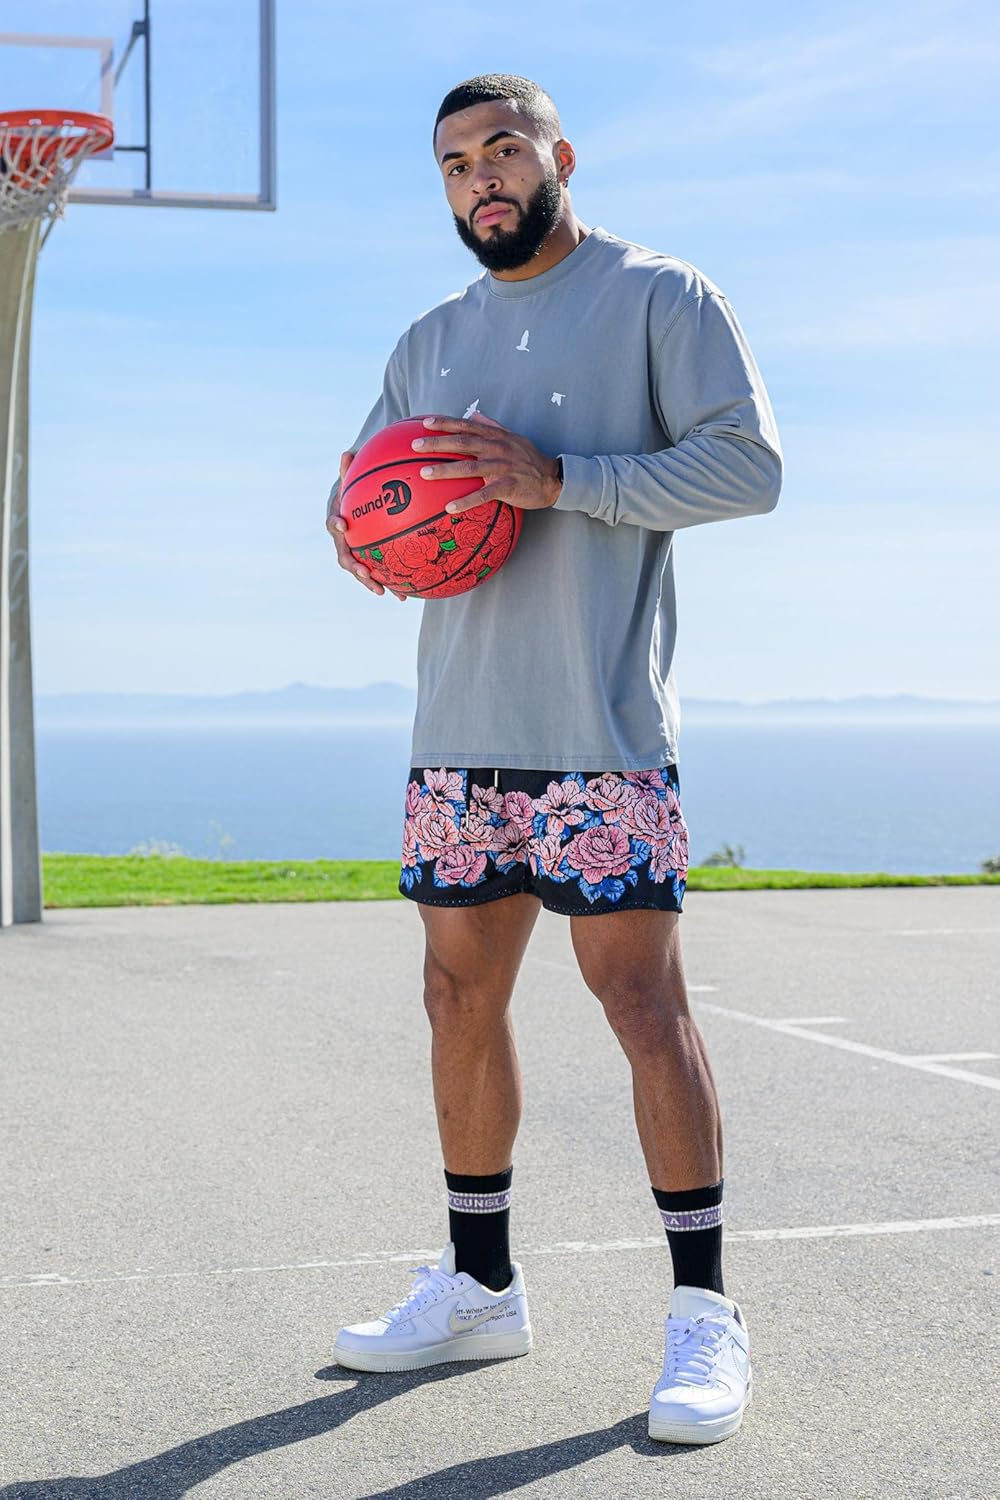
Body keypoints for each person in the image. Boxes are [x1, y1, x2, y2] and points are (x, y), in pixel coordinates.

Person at [325, 73, 781, 1445]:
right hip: (459, 734)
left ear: (556, 156)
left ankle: (705, 1314)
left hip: (602, 736)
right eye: (456, 162)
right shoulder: (430, 339)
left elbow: (747, 468)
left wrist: (563, 479)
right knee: (455, 999)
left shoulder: (660, 299)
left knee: (642, 1004)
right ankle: (479, 1286)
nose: (481, 177)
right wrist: (359, 535)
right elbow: (368, 487)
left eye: (503, 149)